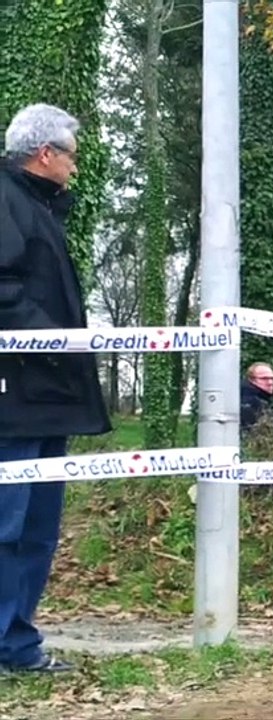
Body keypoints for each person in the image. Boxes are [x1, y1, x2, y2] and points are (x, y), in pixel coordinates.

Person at [0, 104, 111, 673]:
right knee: (8, 528)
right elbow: (4, 287)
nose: (75, 165)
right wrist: (53, 341)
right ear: (46, 154)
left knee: (37, 531)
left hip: (46, 401)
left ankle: (18, 646)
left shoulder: (38, 208)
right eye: (70, 154)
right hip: (15, 401)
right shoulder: (6, 201)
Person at [240, 362, 273, 431]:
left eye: (272, 379)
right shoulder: (250, 402)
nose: (270, 382)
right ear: (251, 380)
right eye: (264, 378)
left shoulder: (264, 399)